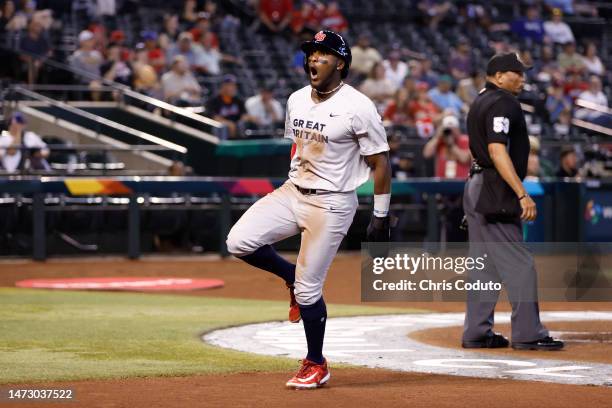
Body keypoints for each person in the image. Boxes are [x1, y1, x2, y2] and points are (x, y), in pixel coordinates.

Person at [226, 30, 391, 389]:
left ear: (341, 63)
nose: (314, 59)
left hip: (331, 202)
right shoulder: (297, 99)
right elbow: (299, 148)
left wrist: (380, 214)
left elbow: (381, 163)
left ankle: (316, 363)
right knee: (238, 241)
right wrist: (291, 183)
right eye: (312, 53)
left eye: (323, 54)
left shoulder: (359, 106)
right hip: (293, 190)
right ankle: (289, 275)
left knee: (308, 291)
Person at [462, 52, 563, 351]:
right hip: (495, 188)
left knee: (484, 266)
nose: (522, 78)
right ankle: (528, 333)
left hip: (477, 185)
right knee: (520, 265)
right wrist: (521, 192)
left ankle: (477, 332)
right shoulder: (503, 101)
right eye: (516, 72)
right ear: (498, 75)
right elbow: (496, 150)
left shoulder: (480, 100)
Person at [206, 75, 249, 139]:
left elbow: (244, 115)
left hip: (235, 127)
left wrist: (240, 121)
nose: (233, 88)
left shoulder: (238, 100)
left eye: (234, 85)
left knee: (242, 125)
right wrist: (229, 124)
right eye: (230, 85)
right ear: (223, 86)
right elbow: (214, 117)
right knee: (223, 127)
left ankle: (242, 146)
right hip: (221, 127)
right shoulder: (214, 101)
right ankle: (222, 147)